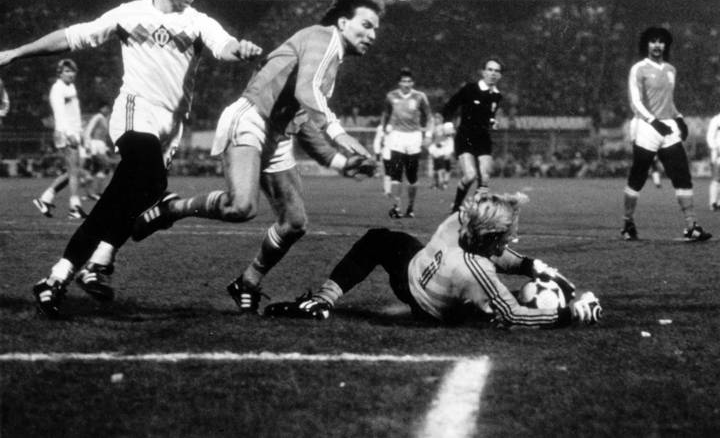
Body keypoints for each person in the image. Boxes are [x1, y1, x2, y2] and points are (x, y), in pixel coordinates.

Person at [0, 0, 263, 318]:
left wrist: (244, 49)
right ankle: (99, 260)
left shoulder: (199, 22)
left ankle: (59, 276)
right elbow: (73, 37)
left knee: (127, 196)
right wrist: (15, 53)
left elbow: (226, 46)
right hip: (135, 113)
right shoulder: (129, 15)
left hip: (170, 129)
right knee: (149, 183)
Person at [132, 0, 382, 315]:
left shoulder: (329, 58)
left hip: (276, 134)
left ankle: (247, 282)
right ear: (343, 23)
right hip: (251, 116)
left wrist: (339, 161)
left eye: (376, 29)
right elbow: (307, 93)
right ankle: (172, 207)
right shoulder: (324, 38)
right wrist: (338, 132)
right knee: (241, 207)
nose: (372, 36)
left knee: (294, 222)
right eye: (366, 25)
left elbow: (301, 117)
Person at [264, 192, 602, 328]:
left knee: (378, 239)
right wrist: (568, 313)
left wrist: (529, 265)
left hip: (412, 267)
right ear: (491, 239)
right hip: (426, 309)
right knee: (495, 311)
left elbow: (493, 249)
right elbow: (514, 314)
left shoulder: (458, 222)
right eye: (505, 235)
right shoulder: (478, 271)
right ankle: (474, 311)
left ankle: (323, 301)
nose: (510, 239)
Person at [620, 26, 711, 242]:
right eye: (653, 41)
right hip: (646, 127)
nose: (657, 45)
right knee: (638, 176)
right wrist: (652, 121)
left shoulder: (671, 69)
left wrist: (679, 118)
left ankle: (692, 226)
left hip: (668, 127)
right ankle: (628, 223)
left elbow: (669, 102)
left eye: (661, 41)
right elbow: (636, 102)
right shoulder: (639, 69)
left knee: (682, 176)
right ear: (646, 45)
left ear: (666, 45)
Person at [442, 57, 504, 213]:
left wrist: (492, 122)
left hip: (483, 139)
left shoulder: (497, 95)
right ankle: (456, 207)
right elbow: (449, 107)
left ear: (500, 75)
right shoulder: (469, 89)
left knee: (485, 177)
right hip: (465, 137)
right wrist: (448, 123)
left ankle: (476, 212)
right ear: (483, 72)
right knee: (470, 176)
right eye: (490, 70)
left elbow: (488, 116)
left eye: (497, 71)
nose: (493, 73)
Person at [31, 59, 87, 219]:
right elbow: (60, 114)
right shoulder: (57, 89)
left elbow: (74, 112)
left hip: (74, 133)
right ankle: (74, 207)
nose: (70, 74)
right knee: (74, 170)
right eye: (67, 71)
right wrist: (69, 134)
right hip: (65, 133)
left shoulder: (71, 87)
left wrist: (79, 132)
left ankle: (45, 198)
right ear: (60, 72)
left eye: (72, 71)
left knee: (73, 171)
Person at [381, 68, 433, 218]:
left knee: (411, 175)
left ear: (413, 82)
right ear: (399, 82)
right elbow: (385, 114)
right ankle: (396, 207)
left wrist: (428, 134)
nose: (406, 84)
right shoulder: (391, 96)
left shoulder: (420, 97)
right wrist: (385, 129)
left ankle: (410, 207)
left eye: (409, 81)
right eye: (404, 81)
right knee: (396, 173)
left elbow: (429, 117)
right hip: (396, 136)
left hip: (414, 137)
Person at [82, 103, 113, 200]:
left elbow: (104, 135)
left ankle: (92, 193)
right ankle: (96, 192)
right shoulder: (98, 117)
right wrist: (87, 145)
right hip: (95, 144)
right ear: (101, 108)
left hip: (101, 145)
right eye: (105, 107)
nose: (107, 109)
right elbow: (88, 130)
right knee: (105, 167)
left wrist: (106, 147)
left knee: (98, 169)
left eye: (108, 108)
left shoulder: (105, 119)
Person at [428, 112, 454, 190]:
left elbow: (450, 136)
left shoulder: (444, 127)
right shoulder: (433, 128)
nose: (436, 120)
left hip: (443, 149)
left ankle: (442, 183)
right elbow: (431, 139)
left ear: (441, 119)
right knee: (437, 168)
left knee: (443, 167)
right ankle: (438, 183)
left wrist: (448, 148)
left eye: (438, 118)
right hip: (436, 150)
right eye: (435, 118)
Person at [372, 122, 392, 198]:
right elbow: (377, 141)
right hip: (387, 151)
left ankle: (387, 190)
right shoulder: (381, 128)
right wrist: (377, 153)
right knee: (388, 171)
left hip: (395, 151)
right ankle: (387, 191)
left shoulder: (398, 126)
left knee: (390, 172)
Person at [707, 112, 720, 211]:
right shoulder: (716, 120)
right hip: (718, 153)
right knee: (716, 178)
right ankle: (713, 202)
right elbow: (710, 136)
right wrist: (715, 149)